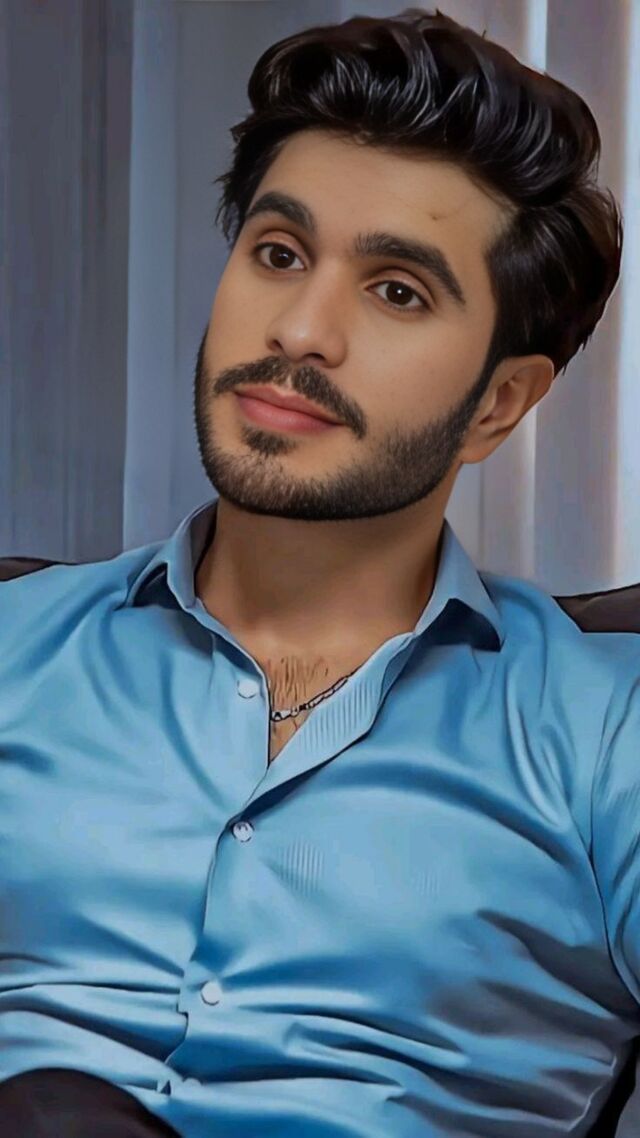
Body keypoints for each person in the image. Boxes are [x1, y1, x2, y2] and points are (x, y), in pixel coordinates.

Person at [1, 6, 638, 1137]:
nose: (300, 329)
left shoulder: (604, 736)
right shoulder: (14, 646)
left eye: (397, 290)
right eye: (279, 254)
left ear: (498, 404)